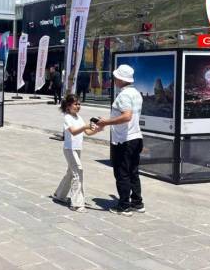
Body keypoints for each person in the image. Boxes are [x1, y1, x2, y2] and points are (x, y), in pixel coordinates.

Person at [95, 64, 144, 216]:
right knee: (133, 171)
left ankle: (124, 205)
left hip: (124, 140)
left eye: (116, 77)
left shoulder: (123, 95)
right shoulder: (136, 93)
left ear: (121, 79)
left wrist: (105, 122)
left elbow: (126, 116)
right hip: (136, 137)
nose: (114, 79)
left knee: (122, 172)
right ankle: (137, 202)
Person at [53, 94, 101, 213]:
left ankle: (59, 195)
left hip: (78, 149)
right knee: (78, 172)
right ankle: (77, 203)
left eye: (79, 104)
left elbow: (88, 132)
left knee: (71, 172)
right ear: (69, 106)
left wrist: (98, 128)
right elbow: (74, 131)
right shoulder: (67, 117)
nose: (78, 106)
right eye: (75, 104)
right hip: (69, 149)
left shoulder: (79, 117)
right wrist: (86, 125)